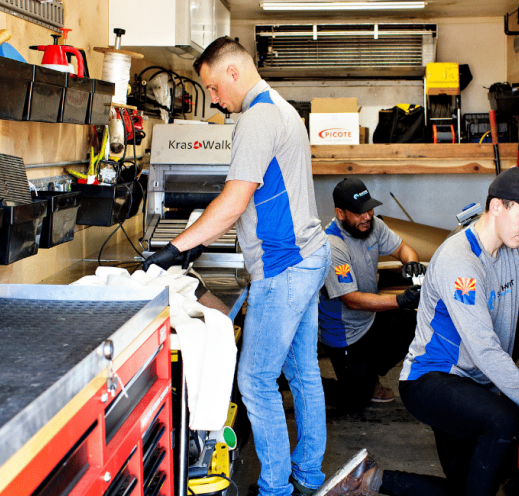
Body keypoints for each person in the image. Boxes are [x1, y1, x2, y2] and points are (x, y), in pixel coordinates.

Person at [143, 37, 330, 496]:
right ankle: (307, 474)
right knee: (302, 371)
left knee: (255, 379)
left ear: (231, 73)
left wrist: (174, 249)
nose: (212, 98)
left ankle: (274, 488)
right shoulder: (283, 110)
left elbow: (233, 202)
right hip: (309, 255)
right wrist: (195, 239)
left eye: (211, 87)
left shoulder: (257, 118)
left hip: (284, 267)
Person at [330, 167, 519, 496]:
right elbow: (486, 351)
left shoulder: (513, 254)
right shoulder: (460, 261)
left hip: (473, 382)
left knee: (468, 487)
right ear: (497, 207)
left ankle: (369, 481)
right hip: (431, 379)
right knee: (505, 422)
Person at [319, 178, 425, 409]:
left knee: (418, 322)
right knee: (355, 401)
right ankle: (292, 381)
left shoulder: (373, 225)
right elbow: (352, 301)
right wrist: (399, 300)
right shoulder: (332, 245)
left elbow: (403, 249)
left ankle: (368, 374)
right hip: (345, 333)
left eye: (369, 209)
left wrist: (411, 263)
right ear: (340, 213)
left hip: (371, 318)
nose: (367, 216)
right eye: (358, 212)